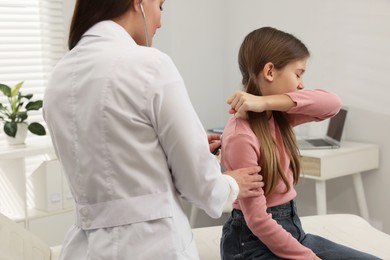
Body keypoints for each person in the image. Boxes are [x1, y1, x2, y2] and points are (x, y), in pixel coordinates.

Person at [43, 1, 264, 259]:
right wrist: (231, 184)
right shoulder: (150, 65)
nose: (160, 20)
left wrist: (162, 152)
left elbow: (107, 161)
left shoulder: (59, 76)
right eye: (161, 6)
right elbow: (199, 184)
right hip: (152, 246)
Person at [220, 27, 380, 260]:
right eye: (298, 74)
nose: (301, 84)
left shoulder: (276, 116)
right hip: (251, 244)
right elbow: (257, 220)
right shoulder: (241, 136)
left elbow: (332, 104)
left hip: (292, 232)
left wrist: (264, 102)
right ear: (270, 71)